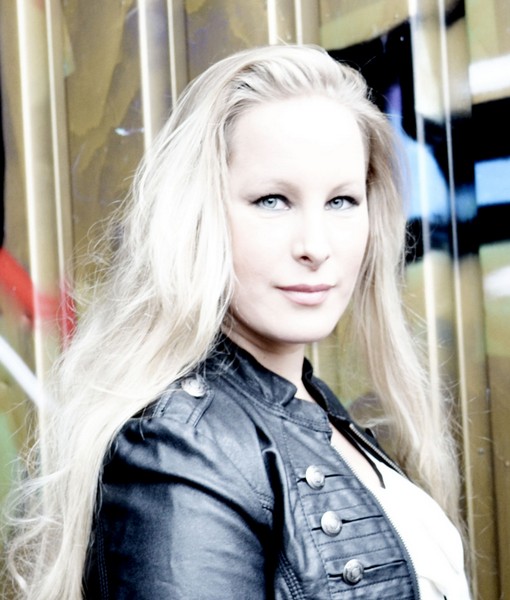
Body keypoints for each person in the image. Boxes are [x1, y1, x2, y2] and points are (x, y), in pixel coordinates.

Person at [6, 44, 470, 599]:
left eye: (342, 201)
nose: (316, 246)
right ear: (199, 217)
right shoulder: (179, 448)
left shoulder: (308, 405)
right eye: (273, 200)